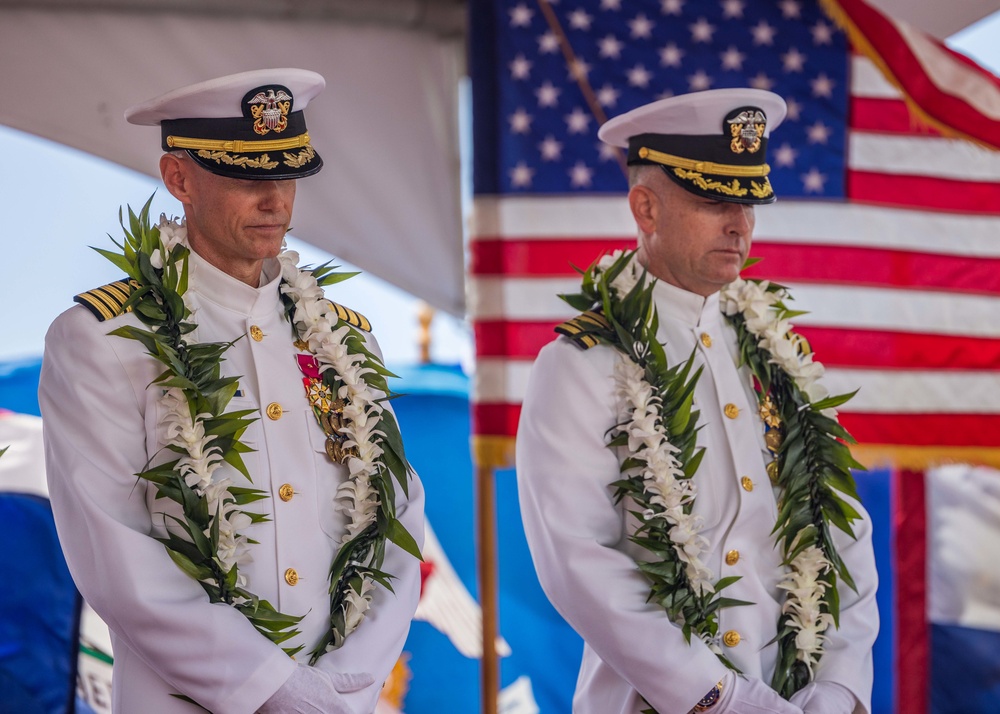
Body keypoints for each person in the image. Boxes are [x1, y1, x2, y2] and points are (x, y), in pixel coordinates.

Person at [40, 69, 424, 714]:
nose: (275, 201)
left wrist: (348, 687)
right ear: (179, 179)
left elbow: (397, 516)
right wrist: (273, 691)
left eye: (287, 176)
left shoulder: (343, 339)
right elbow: (114, 553)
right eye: (248, 177)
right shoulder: (105, 337)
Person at [515, 88, 879, 714]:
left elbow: (842, 532)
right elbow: (576, 563)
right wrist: (719, 698)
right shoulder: (581, 364)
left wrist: (841, 690)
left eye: (749, 203)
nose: (739, 224)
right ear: (645, 208)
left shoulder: (777, 355)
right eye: (714, 201)